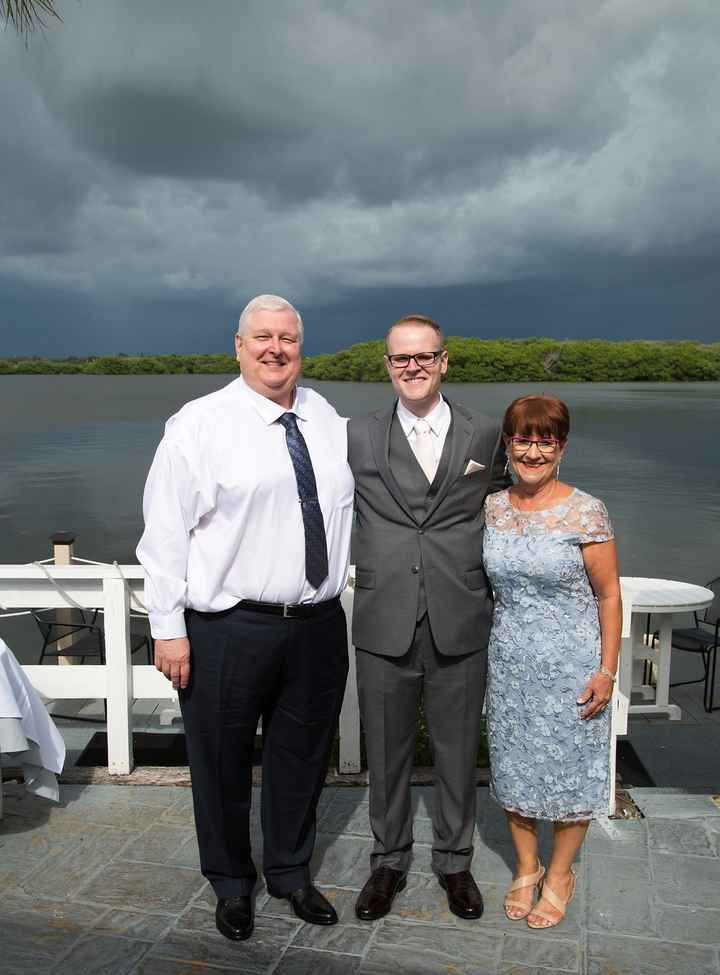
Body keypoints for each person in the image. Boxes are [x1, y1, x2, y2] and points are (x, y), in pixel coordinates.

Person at [136, 295, 353, 942]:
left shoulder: (328, 418)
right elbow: (165, 533)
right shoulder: (199, 424)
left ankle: (289, 869)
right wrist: (167, 625)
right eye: (262, 336)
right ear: (238, 344)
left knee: (302, 755)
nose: (275, 348)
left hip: (316, 622)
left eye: (287, 337)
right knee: (222, 760)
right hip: (230, 626)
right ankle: (232, 881)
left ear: (301, 347)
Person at [347, 315, 509, 922]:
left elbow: (511, 504)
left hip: (460, 614)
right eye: (400, 359)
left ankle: (454, 862)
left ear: (444, 361)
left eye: (424, 357)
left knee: (457, 749)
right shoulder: (356, 435)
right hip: (383, 616)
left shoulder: (484, 433)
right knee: (384, 753)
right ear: (387, 366)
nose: (412, 367)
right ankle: (387, 863)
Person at [483, 393, 621, 930]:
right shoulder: (493, 507)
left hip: (572, 666)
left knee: (570, 772)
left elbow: (608, 595)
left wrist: (606, 671)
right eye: (524, 439)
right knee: (515, 767)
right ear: (508, 444)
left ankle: (561, 874)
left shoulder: (587, 510)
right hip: (510, 664)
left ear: (562, 447)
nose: (534, 451)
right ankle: (526, 865)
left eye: (546, 440)